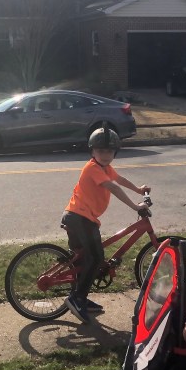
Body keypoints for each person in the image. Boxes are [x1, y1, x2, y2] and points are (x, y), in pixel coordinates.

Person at [61, 127, 150, 323]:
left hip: (82, 218)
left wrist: (138, 189)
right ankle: (77, 299)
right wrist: (135, 206)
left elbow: (119, 179)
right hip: (80, 218)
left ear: (115, 153)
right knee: (96, 258)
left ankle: (81, 297)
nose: (105, 155)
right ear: (92, 151)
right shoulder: (93, 168)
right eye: (100, 150)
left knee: (84, 260)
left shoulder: (105, 168)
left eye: (109, 151)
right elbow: (113, 187)